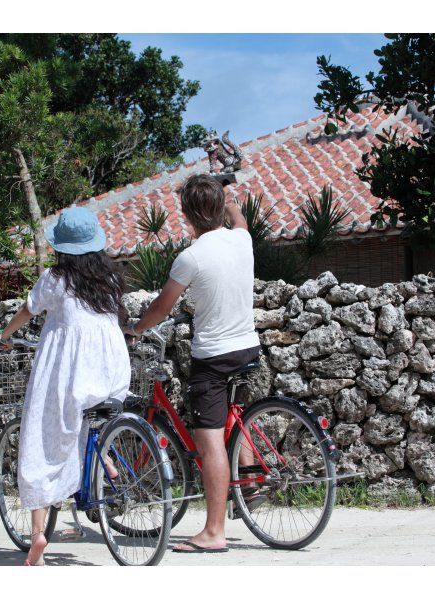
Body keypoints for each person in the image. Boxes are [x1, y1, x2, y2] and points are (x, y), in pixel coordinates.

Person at [124, 174, 260, 554]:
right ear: (219, 208)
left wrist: (135, 329)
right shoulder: (242, 238)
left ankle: (214, 532)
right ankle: (248, 484)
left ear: (186, 215)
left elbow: (161, 307)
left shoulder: (192, 256)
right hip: (248, 347)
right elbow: (240, 218)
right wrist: (227, 196)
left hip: (214, 356)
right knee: (235, 413)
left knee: (209, 438)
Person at [0, 206, 131, 566]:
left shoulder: (55, 280)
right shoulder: (111, 280)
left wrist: (4, 335)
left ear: (63, 248)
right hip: (113, 372)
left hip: (71, 373)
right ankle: (109, 466)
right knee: (89, 422)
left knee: (41, 438)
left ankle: (38, 536)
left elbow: (27, 311)